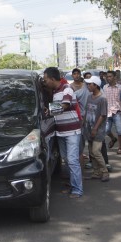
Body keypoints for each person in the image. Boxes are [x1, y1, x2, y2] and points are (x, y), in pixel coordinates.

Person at [43, 67, 83, 199]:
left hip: (71, 131)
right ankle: (72, 186)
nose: (45, 81)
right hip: (61, 131)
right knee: (67, 160)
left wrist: (49, 111)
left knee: (72, 160)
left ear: (52, 79)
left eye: (45, 79)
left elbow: (65, 105)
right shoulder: (55, 91)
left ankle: (77, 189)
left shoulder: (67, 88)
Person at [83, 76, 109, 182]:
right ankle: (96, 172)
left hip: (98, 130)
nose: (88, 86)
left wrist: (95, 128)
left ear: (96, 85)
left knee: (96, 151)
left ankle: (104, 172)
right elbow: (86, 111)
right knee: (91, 152)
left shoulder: (102, 98)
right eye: (88, 84)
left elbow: (103, 115)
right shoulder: (89, 97)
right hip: (88, 128)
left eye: (90, 84)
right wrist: (83, 123)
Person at [103, 70, 121, 154]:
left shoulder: (120, 87)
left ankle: (120, 148)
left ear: (115, 77)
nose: (108, 78)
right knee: (106, 130)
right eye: (107, 76)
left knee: (120, 130)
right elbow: (103, 100)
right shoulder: (105, 87)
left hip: (117, 111)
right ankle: (113, 138)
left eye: (110, 76)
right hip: (107, 112)